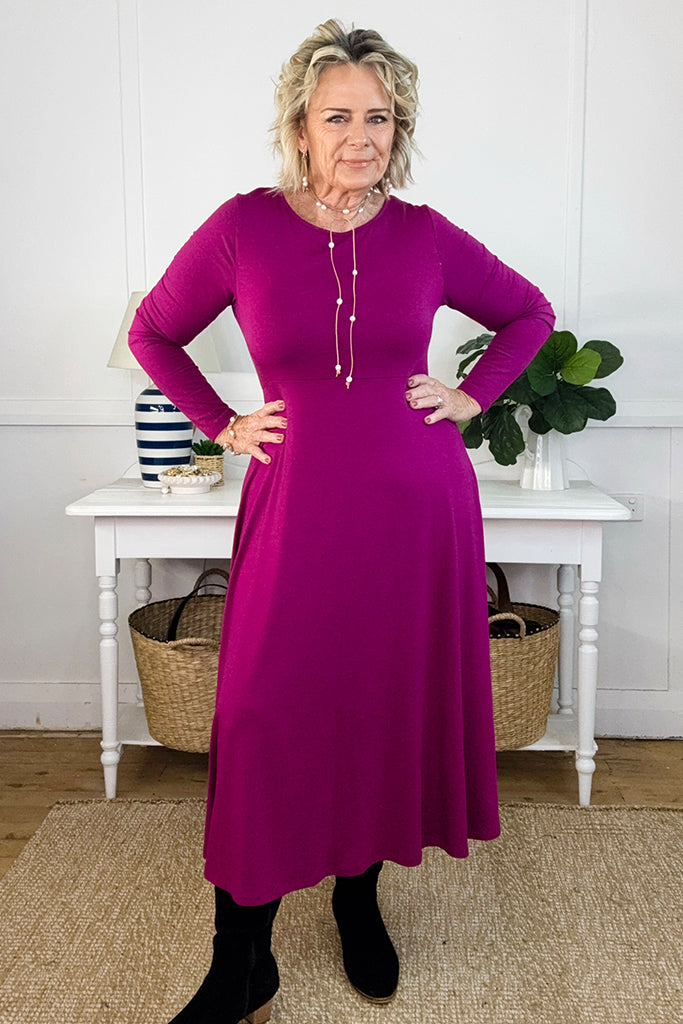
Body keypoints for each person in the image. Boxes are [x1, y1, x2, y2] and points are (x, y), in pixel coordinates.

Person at [129, 19, 555, 1024]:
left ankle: (359, 901)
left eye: (378, 116)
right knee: (263, 714)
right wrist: (220, 421)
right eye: (338, 116)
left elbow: (527, 312)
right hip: (296, 512)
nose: (359, 135)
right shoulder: (241, 226)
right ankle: (244, 957)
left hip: (416, 514)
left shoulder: (423, 234)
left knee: (379, 703)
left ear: (395, 127)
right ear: (299, 127)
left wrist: (470, 395)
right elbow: (153, 330)